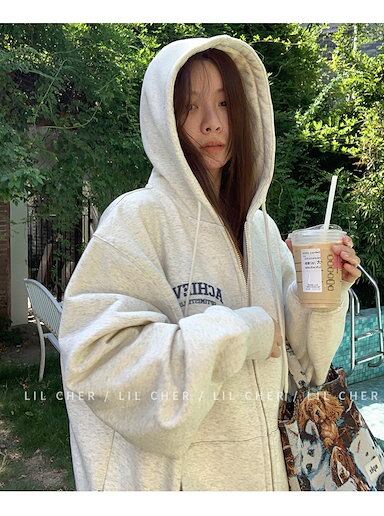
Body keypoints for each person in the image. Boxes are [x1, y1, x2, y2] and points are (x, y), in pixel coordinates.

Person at [58, 34, 361, 491]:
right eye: (190, 107)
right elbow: (95, 360)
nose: (211, 123)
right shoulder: (138, 219)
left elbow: (307, 361)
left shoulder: (261, 229)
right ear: (164, 119)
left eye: (224, 104)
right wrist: (244, 332)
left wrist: (321, 296)